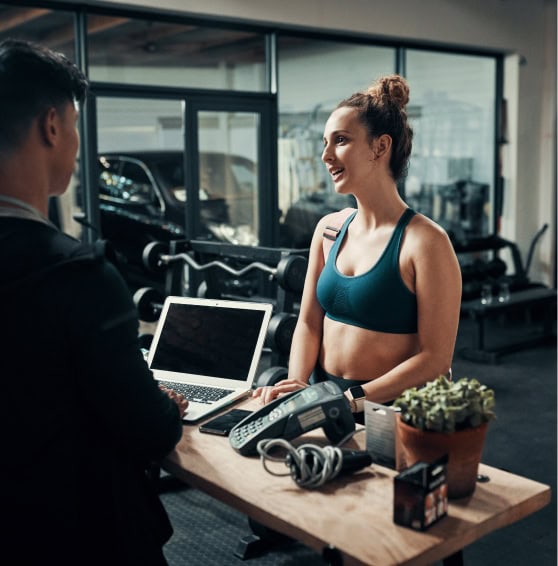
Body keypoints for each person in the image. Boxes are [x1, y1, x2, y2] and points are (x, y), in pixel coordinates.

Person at [0, 39, 188, 565]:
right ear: (52, 126)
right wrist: (163, 406)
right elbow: (147, 428)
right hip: (80, 536)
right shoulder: (79, 276)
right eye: (75, 125)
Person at [254, 74, 462, 415]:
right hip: (322, 397)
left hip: (389, 409)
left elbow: (435, 359)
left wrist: (351, 401)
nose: (325, 155)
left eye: (340, 140)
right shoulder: (329, 229)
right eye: (325, 142)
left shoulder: (426, 242)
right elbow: (308, 322)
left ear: (380, 147)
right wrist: (298, 385)